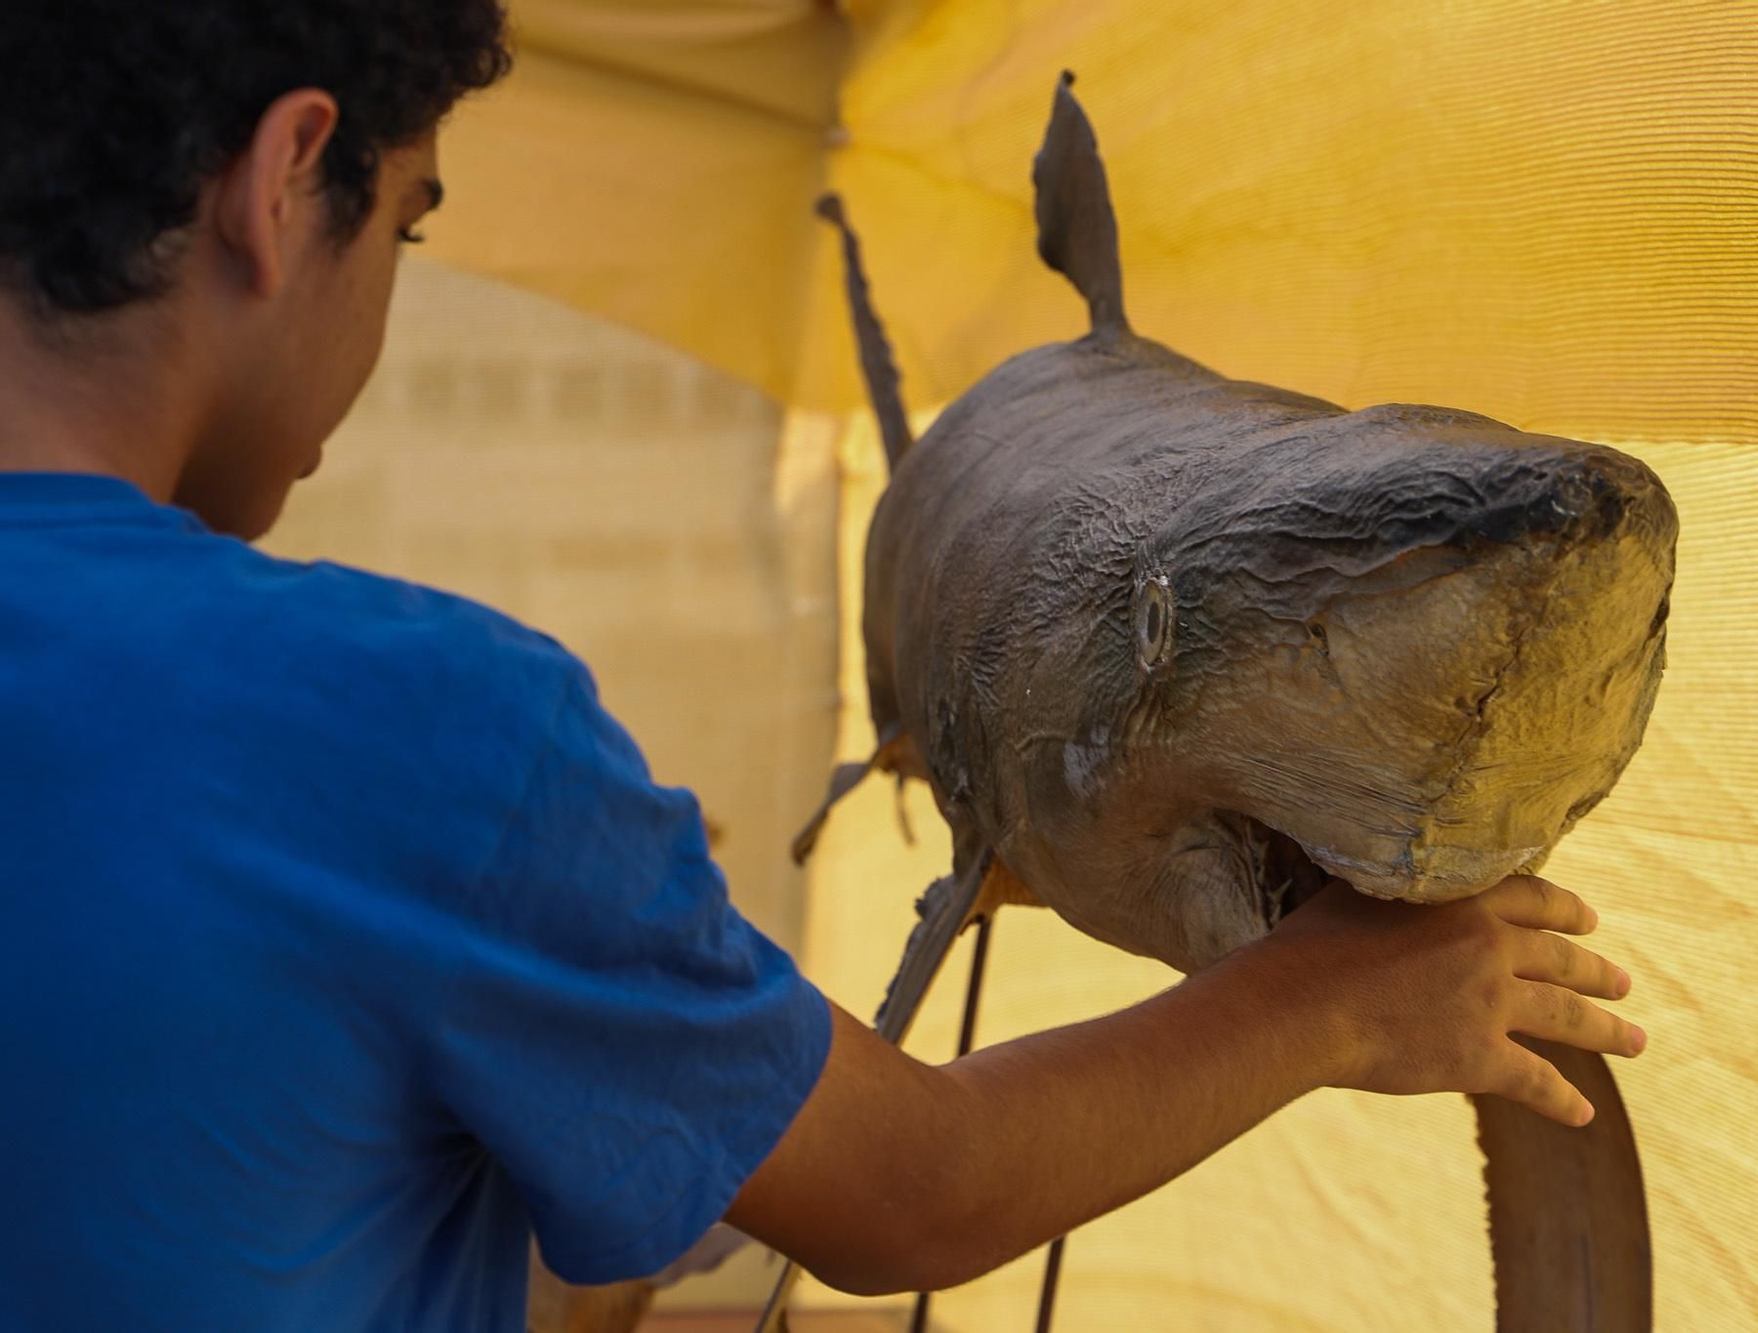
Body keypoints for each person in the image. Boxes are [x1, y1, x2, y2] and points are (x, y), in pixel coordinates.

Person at [0, 4, 1646, 1330]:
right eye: (411, 232)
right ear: (289, 183)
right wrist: (1340, 995)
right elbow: (913, 1192)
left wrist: (652, 1104)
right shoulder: (416, 731)